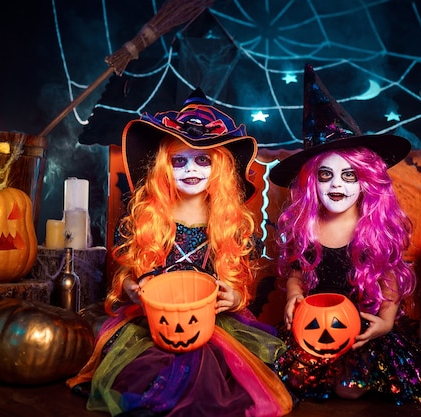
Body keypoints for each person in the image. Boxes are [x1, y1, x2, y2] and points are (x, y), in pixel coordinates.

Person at [68, 89, 292, 417]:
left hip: (210, 320)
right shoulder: (148, 217)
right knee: (147, 372)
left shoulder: (228, 222)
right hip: (154, 321)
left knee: (220, 379)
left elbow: (237, 285)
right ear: (164, 167)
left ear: (219, 167)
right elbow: (132, 276)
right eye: (179, 160)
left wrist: (234, 298)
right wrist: (133, 289)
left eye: (203, 160)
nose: (192, 169)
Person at [268, 65, 421, 405]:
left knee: (349, 389)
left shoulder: (369, 229)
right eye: (326, 175)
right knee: (287, 378)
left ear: (366, 181)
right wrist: (291, 296)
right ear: (312, 183)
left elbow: (388, 278)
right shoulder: (307, 227)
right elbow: (298, 273)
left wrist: (386, 321)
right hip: (315, 325)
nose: (337, 185)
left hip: (360, 328)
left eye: (349, 176)